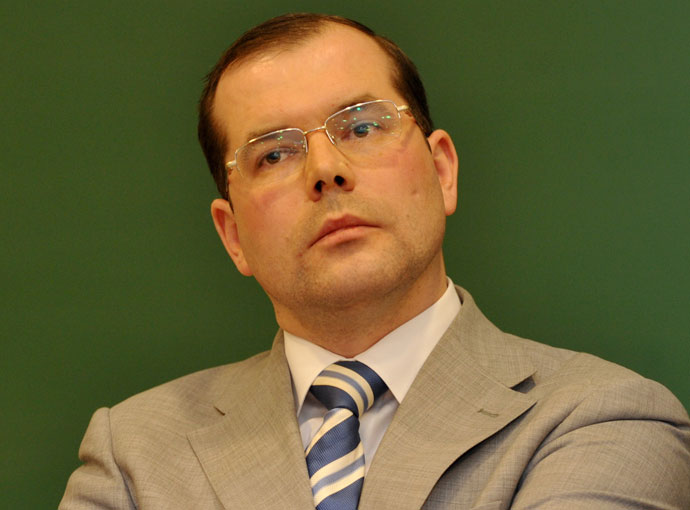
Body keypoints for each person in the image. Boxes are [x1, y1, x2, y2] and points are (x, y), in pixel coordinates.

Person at [60, 13, 690, 510]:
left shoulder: (602, 418)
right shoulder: (134, 455)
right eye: (274, 154)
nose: (326, 169)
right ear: (233, 237)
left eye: (362, 127)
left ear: (441, 171)